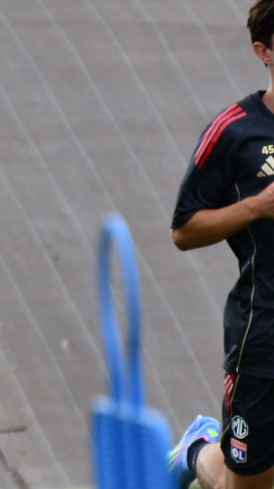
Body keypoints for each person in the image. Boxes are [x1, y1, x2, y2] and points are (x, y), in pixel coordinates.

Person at [169, 2, 274, 488]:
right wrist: (256, 207)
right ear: (263, 51)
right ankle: (197, 448)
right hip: (263, 337)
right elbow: (183, 229)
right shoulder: (234, 131)